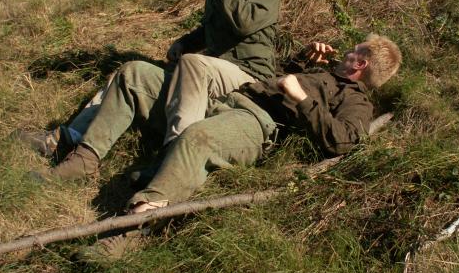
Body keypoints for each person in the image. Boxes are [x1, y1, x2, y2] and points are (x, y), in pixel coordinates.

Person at [70, 33, 401, 260]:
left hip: (257, 123)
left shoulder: (356, 101)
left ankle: (132, 229)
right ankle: (84, 157)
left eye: (355, 49)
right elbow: (275, 76)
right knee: (136, 74)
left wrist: (300, 98)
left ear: (362, 63)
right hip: (225, 97)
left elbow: (342, 140)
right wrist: (302, 59)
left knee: (197, 137)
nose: (347, 50)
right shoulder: (321, 71)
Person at [18, 0, 281, 160]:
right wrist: (184, 43)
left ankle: (172, 156)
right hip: (202, 74)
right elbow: (209, 31)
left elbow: (244, 22)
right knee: (128, 73)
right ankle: (68, 138)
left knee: (195, 64)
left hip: (248, 77)